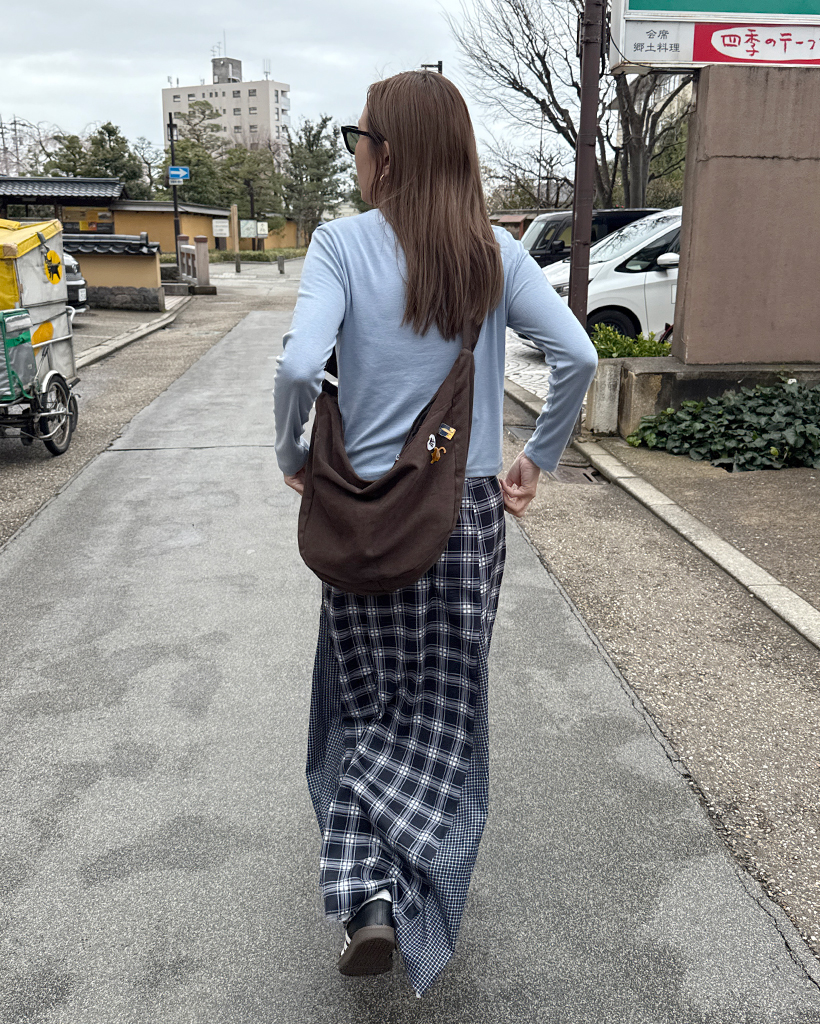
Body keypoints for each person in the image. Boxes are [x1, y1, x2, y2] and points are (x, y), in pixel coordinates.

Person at [273, 71, 597, 997]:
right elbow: (576, 355)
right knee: (443, 710)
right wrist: (538, 456)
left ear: (388, 153)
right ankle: (416, 889)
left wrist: (292, 453)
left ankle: (368, 895)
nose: (355, 154)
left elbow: (298, 366)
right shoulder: (493, 253)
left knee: (362, 699)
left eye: (358, 138)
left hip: (362, 514)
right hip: (466, 515)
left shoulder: (341, 245)